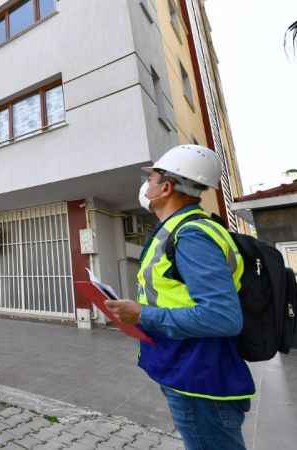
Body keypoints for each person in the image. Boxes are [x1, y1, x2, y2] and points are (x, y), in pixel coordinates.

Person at [106, 145, 254, 450]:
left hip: (199, 378)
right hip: (184, 369)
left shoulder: (192, 235)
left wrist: (142, 315)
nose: (146, 185)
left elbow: (222, 317)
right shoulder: (177, 230)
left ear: (166, 187)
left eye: (152, 178)